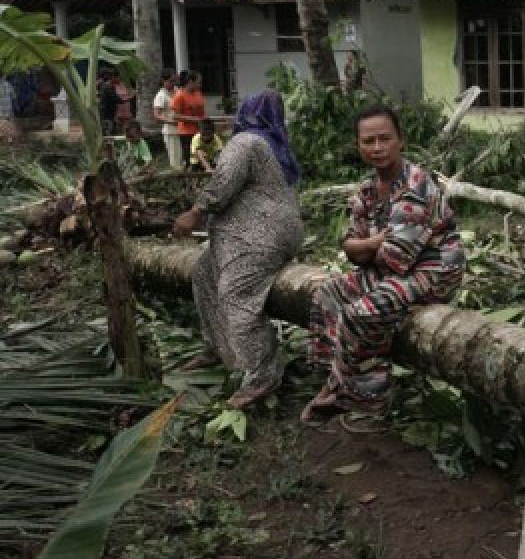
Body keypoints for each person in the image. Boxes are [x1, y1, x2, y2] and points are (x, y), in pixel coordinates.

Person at [301, 105, 465, 423]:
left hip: (434, 270)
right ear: (358, 146)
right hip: (392, 269)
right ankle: (338, 380)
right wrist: (372, 244)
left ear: (400, 140)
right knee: (328, 292)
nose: (377, 148)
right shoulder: (366, 190)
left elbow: (394, 257)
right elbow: (350, 248)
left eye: (384, 139)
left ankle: (369, 399)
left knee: (362, 313)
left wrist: (366, 247)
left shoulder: (416, 186)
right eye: (368, 141)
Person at [172, 90, 304, 409]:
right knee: (204, 274)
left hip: (257, 236)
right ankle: (217, 346)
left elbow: (223, 183)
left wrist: (195, 212)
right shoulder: (274, 144)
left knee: (237, 292)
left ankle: (263, 373)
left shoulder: (245, 142)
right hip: (256, 234)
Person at [171, 70, 206, 158]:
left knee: (202, 156)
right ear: (190, 82)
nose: (200, 85)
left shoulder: (198, 93)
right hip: (186, 132)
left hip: (200, 130)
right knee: (190, 157)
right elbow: (175, 116)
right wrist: (195, 119)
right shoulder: (179, 95)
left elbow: (202, 112)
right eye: (198, 83)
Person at [153, 70, 182, 168]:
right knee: (175, 160)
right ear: (163, 81)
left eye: (174, 81)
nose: (173, 83)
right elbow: (157, 115)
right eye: (170, 81)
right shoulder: (161, 95)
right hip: (171, 131)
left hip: (183, 129)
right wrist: (172, 122)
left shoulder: (178, 91)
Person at [97, 68, 119, 135]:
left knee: (106, 129)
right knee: (108, 130)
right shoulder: (107, 86)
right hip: (107, 113)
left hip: (105, 112)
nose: (113, 77)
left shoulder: (102, 85)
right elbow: (114, 98)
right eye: (111, 75)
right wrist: (126, 99)